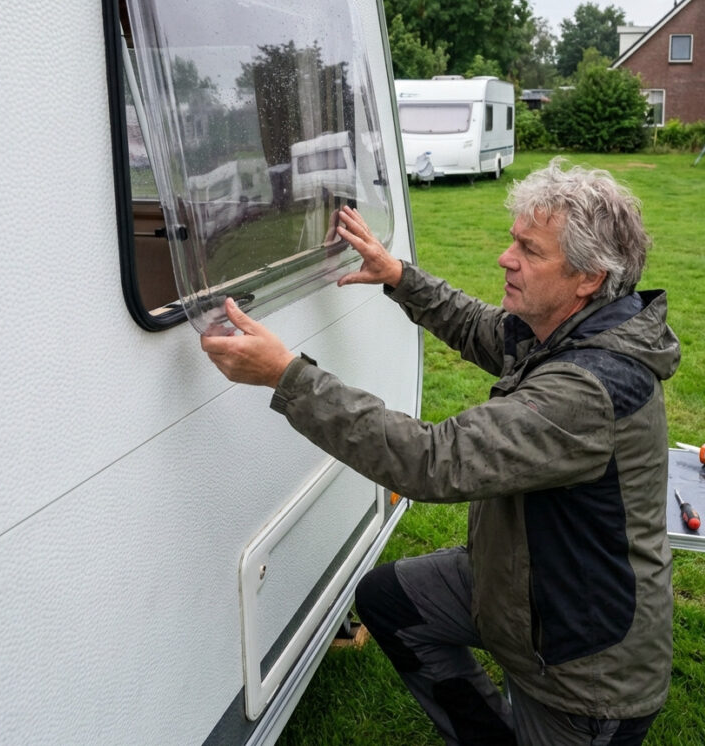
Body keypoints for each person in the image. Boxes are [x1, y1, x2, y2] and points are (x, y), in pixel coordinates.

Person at [201, 159, 680, 746]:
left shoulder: (587, 389)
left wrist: (287, 377)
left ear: (588, 278)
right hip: (521, 584)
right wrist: (397, 275)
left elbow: (434, 461)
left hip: (582, 662)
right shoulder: (570, 328)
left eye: (530, 251)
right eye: (513, 242)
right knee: (389, 600)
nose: (506, 258)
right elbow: (484, 328)